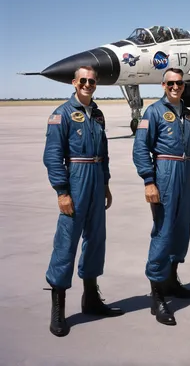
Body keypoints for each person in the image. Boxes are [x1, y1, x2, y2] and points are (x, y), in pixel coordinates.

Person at [43, 66, 123, 337]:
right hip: (75, 181)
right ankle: (58, 309)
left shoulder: (97, 114)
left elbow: (104, 152)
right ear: (75, 83)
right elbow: (53, 157)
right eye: (83, 81)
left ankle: (90, 299)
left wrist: (106, 184)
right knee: (66, 243)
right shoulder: (62, 115)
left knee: (96, 240)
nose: (88, 84)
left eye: (92, 81)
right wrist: (62, 192)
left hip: (96, 179)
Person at [133, 68, 190, 326]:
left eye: (179, 83)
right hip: (165, 174)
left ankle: (172, 281)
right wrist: (149, 181)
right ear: (163, 85)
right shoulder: (153, 112)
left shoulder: (189, 114)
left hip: (184, 174)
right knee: (163, 231)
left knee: (183, 228)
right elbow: (141, 148)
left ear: (184, 85)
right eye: (171, 83)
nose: (175, 87)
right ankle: (157, 294)